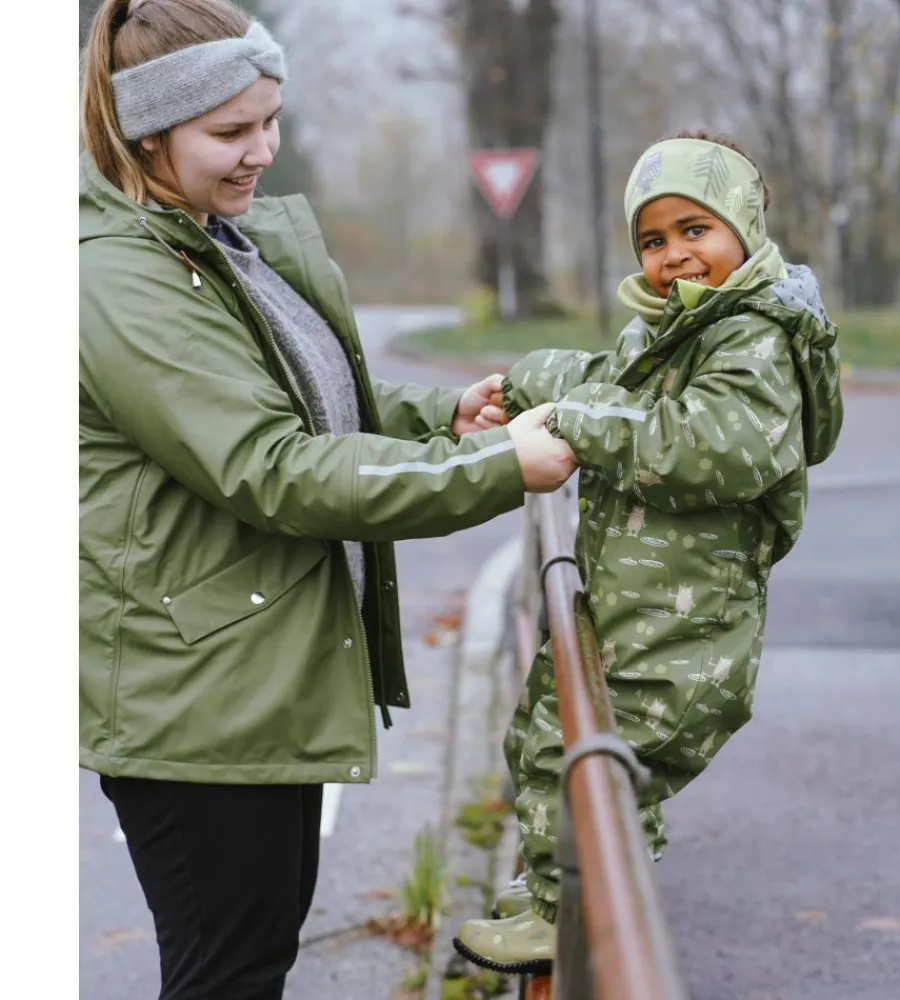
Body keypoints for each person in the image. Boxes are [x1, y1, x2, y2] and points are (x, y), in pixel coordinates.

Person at [79, 1, 577, 997]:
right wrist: (494, 469)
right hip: (198, 706)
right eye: (230, 131)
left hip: (248, 672)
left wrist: (447, 416)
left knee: (250, 961)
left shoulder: (211, 239)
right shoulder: (119, 279)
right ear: (145, 131)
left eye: (269, 119)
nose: (263, 150)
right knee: (228, 972)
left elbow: (311, 393)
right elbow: (275, 465)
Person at [454, 130, 845, 972]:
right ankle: (559, 896)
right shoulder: (678, 327)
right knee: (546, 731)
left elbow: (716, 442)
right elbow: (613, 377)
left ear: (744, 224)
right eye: (653, 240)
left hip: (688, 630)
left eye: (695, 229)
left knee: (588, 760)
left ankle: (571, 919)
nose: (675, 256)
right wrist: (537, 378)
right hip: (638, 610)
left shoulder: (754, 340)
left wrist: (575, 423)